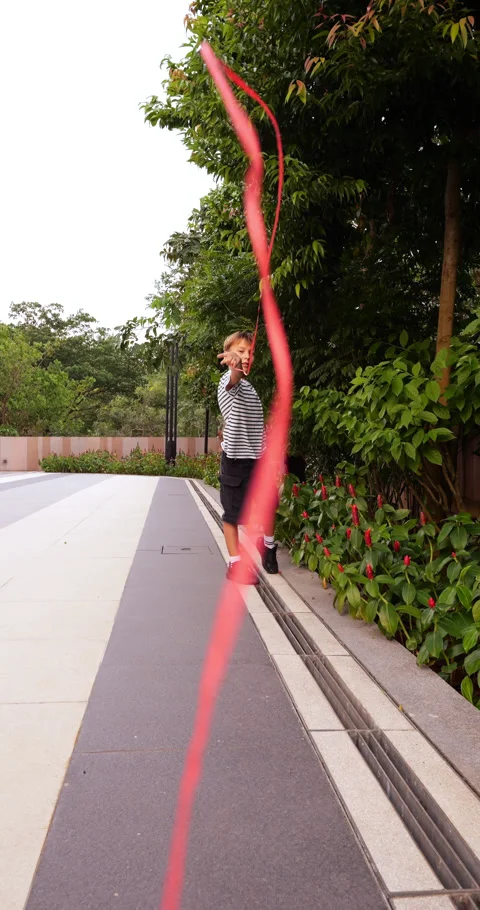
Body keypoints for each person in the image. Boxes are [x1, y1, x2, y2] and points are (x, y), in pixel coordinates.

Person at [217, 331, 279, 582]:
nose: (245, 356)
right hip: (235, 462)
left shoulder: (250, 388)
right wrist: (235, 367)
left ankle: (269, 546)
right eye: (239, 351)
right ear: (229, 353)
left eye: (249, 352)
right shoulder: (228, 382)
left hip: (258, 460)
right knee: (232, 515)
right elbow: (234, 378)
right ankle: (235, 564)